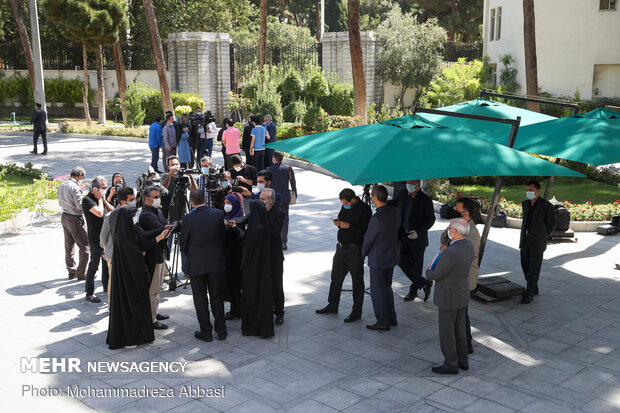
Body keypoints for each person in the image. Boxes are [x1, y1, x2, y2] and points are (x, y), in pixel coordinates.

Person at [107, 206, 169, 350]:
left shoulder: (129, 230)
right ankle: (130, 338)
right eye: (133, 215)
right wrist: (143, 250)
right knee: (132, 307)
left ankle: (139, 335)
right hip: (131, 280)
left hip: (134, 278)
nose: (135, 218)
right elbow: (136, 253)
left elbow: (142, 243)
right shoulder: (123, 236)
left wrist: (158, 237)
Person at [426, 218, 474, 375]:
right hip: (461, 293)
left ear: (455, 231)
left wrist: (440, 253)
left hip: (448, 295)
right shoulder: (469, 245)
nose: (448, 230)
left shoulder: (450, 252)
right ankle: (463, 360)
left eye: (449, 228)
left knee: (447, 331)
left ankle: (450, 363)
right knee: (460, 328)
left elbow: (434, 274)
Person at [316, 188, 372, 323]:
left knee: (357, 281)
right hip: (341, 247)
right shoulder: (345, 206)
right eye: (342, 203)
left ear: (353, 199)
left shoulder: (364, 210)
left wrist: (349, 226)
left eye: (346, 203)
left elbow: (367, 231)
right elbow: (343, 218)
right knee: (336, 278)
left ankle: (356, 311)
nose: (344, 205)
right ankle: (332, 305)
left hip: (355, 249)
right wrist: (338, 222)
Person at [180, 190, 227, 342]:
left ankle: (206, 332)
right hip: (216, 262)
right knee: (217, 297)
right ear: (205, 199)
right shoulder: (218, 214)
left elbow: (183, 244)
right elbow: (222, 237)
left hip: (197, 264)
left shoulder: (187, 219)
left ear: (192, 202)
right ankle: (221, 331)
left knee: (200, 299)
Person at [228, 200, 274, 338]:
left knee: (251, 296)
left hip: (251, 269)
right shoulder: (264, 225)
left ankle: (252, 327)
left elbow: (245, 243)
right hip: (263, 269)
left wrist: (235, 228)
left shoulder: (255, 228)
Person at [440, 197, 480, 354]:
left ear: (467, 214)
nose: (454, 214)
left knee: (462, 314)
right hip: (457, 278)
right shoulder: (459, 227)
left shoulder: (472, 235)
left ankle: (466, 344)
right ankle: (464, 344)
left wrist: (447, 249)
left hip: (464, 279)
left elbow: (459, 255)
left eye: (458, 211)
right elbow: (445, 237)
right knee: (460, 314)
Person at [389, 179, 436, 302]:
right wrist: (381, 204)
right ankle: (425, 283)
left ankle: (413, 291)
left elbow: (431, 219)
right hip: (403, 235)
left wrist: (419, 232)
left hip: (417, 238)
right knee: (400, 259)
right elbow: (394, 203)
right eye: (407, 183)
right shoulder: (403, 193)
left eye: (411, 183)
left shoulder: (425, 199)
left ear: (418, 185)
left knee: (416, 265)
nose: (408, 185)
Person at [362, 185, 401, 331]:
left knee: (378, 292)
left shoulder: (376, 218)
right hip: (390, 256)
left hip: (378, 259)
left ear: (375, 198)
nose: (371, 198)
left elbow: (369, 240)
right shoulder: (395, 213)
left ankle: (382, 321)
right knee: (387, 288)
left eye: (372, 196)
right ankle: (392, 317)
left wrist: (362, 254)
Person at [139, 186, 173, 330]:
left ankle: (155, 312)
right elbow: (160, 228)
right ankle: (151, 319)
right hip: (153, 255)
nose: (158, 199)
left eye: (159, 196)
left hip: (160, 252)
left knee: (157, 287)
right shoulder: (146, 215)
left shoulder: (157, 210)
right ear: (147, 199)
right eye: (155, 197)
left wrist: (167, 228)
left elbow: (163, 226)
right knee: (153, 289)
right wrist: (167, 228)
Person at [520, 180, 556, 304]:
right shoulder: (525, 204)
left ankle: (529, 293)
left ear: (538, 191)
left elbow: (551, 224)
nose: (528, 193)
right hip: (525, 239)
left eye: (530, 190)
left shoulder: (547, 206)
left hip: (538, 241)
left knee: (533, 268)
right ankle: (533, 287)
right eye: (527, 191)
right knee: (525, 265)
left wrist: (542, 235)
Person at [100, 186, 136, 305]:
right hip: (113, 254)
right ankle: (112, 305)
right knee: (114, 281)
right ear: (122, 202)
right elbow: (103, 237)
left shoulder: (133, 213)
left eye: (134, 199)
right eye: (131, 200)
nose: (134, 202)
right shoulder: (111, 216)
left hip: (129, 253)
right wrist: (106, 250)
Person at [82, 176, 114, 303]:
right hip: (95, 238)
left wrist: (104, 199)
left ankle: (106, 286)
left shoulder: (101, 198)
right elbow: (100, 213)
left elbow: (112, 210)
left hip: (105, 236)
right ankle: (89, 293)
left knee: (107, 264)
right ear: (95, 188)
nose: (105, 189)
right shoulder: (88, 200)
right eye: (103, 188)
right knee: (94, 265)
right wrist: (100, 200)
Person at [57, 166, 89, 281]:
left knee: (69, 245)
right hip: (75, 218)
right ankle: (81, 273)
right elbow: (80, 206)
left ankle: (71, 271)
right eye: (83, 176)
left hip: (65, 216)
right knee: (85, 247)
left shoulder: (62, 185)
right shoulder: (74, 187)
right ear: (79, 175)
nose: (83, 179)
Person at [268, 151, 297, 250]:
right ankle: (283, 241)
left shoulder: (269, 169)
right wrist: (294, 193)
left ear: (274, 159)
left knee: (273, 219)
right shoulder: (288, 169)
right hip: (285, 197)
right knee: (285, 219)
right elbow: (293, 183)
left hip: (273, 198)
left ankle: (274, 240)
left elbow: (267, 185)